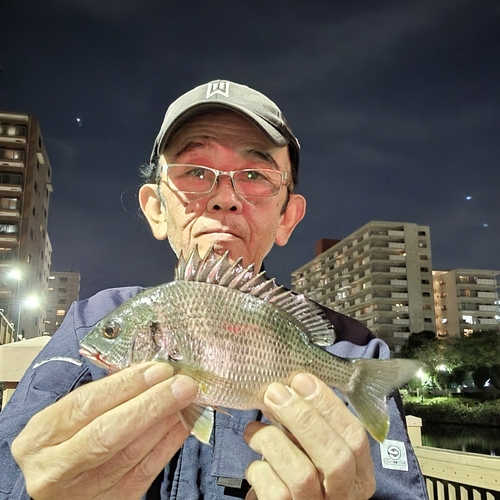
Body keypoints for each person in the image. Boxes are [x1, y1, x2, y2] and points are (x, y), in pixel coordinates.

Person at [0, 79, 429, 500]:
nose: (225, 197)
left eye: (255, 174)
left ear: (287, 218)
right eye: (195, 171)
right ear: (156, 209)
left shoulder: (356, 352)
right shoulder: (87, 324)